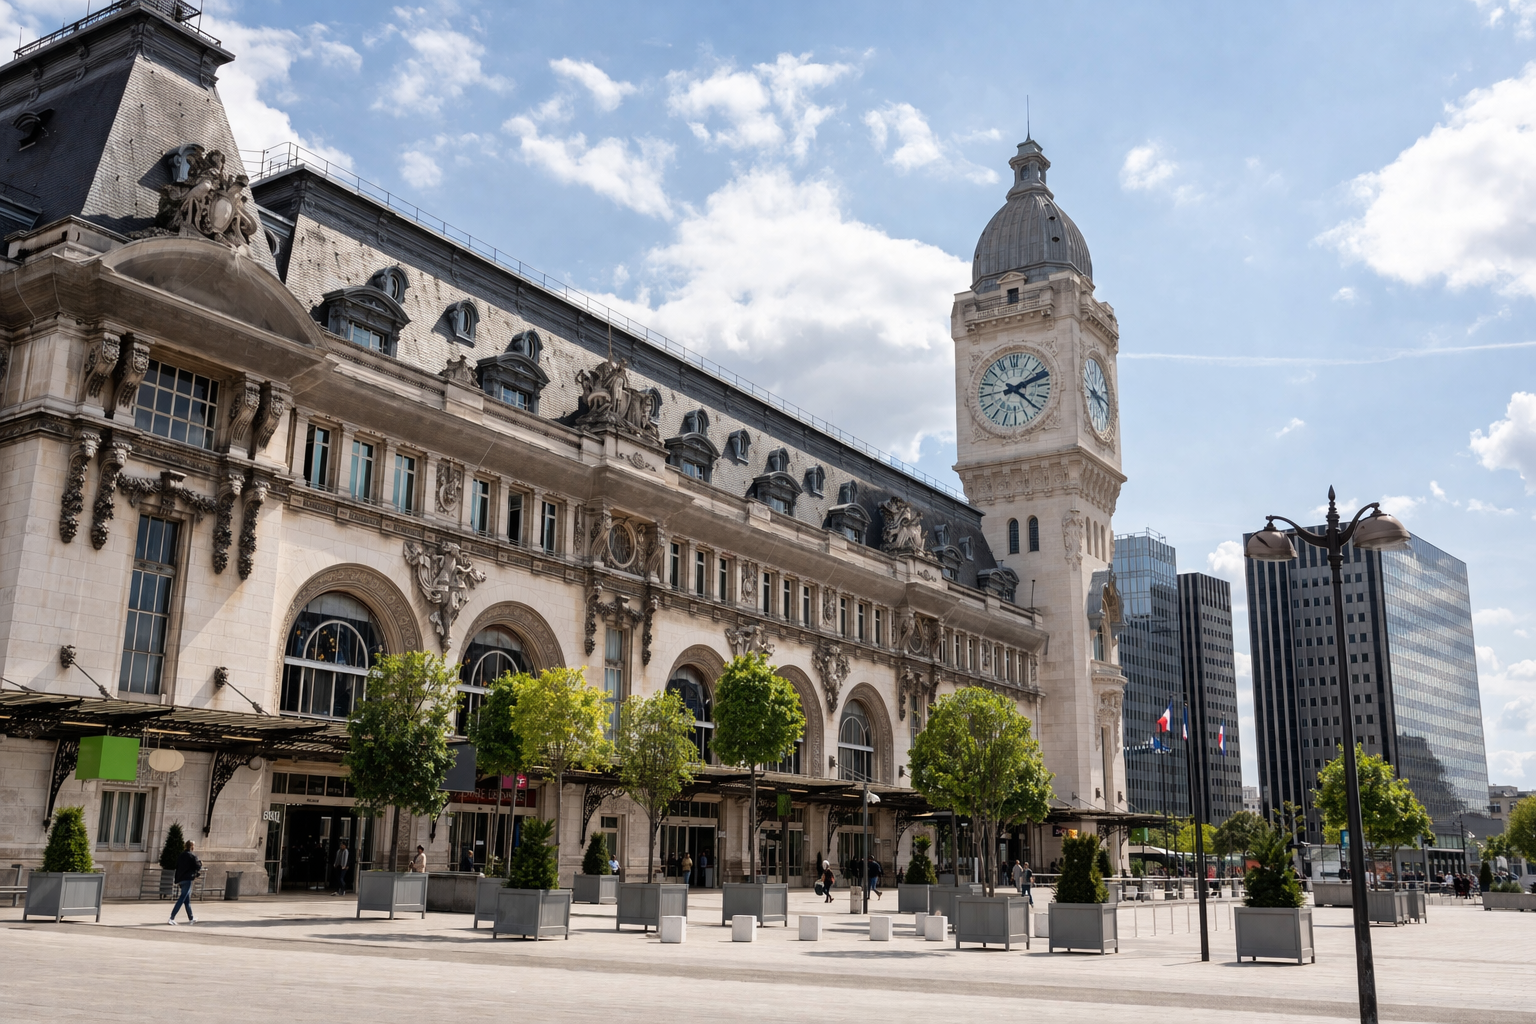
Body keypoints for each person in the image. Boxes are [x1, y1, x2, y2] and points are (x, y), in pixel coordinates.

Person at [169, 840, 202, 925]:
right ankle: (171, 917)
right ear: (192, 846)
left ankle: (191, 918)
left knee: (187, 900)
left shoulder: (181, 855)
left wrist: (177, 879)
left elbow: (177, 867)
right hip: (188, 878)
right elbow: (197, 866)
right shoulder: (192, 856)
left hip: (181, 878)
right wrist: (200, 863)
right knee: (182, 897)